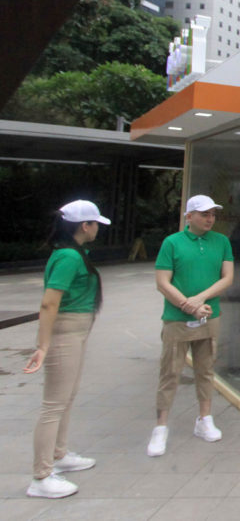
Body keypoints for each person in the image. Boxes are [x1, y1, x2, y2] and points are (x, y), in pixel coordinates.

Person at [24, 201, 110, 498]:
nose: (98, 228)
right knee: (54, 404)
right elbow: (49, 303)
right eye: (95, 223)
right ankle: (41, 476)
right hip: (66, 332)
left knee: (66, 397)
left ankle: (59, 454)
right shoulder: (69, 257)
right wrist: (42, 346)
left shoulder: (75, 253)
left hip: (77, 330)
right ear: (85, 226)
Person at [147, 195, 234, 457]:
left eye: (212, 214)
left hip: (209, 315)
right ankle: (161, 426)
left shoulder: (221, 241)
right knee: (170, 372)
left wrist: (200, 299)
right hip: (177, 318)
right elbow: (162, 282)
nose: (210, 219)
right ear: (189, 216)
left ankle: (204, 418)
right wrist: (188, 305)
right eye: (204, 214)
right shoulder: (172, 243)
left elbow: (227, 277)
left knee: (206, 369)